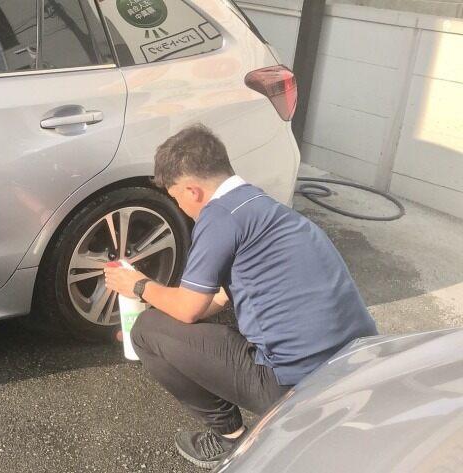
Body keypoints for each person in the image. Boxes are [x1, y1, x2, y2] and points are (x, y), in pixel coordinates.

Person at [103, 124, 378, 469]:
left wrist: (138, 286)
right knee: (164, 326)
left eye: (176, 198)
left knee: (146, 331)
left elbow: (189, 309)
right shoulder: (259, 205)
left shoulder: (218, 218)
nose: (183, 208)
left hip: (296, 386)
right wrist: (171, 327)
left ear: (192, 190)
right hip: (357, 365)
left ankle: (228, 438)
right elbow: (218, 297)